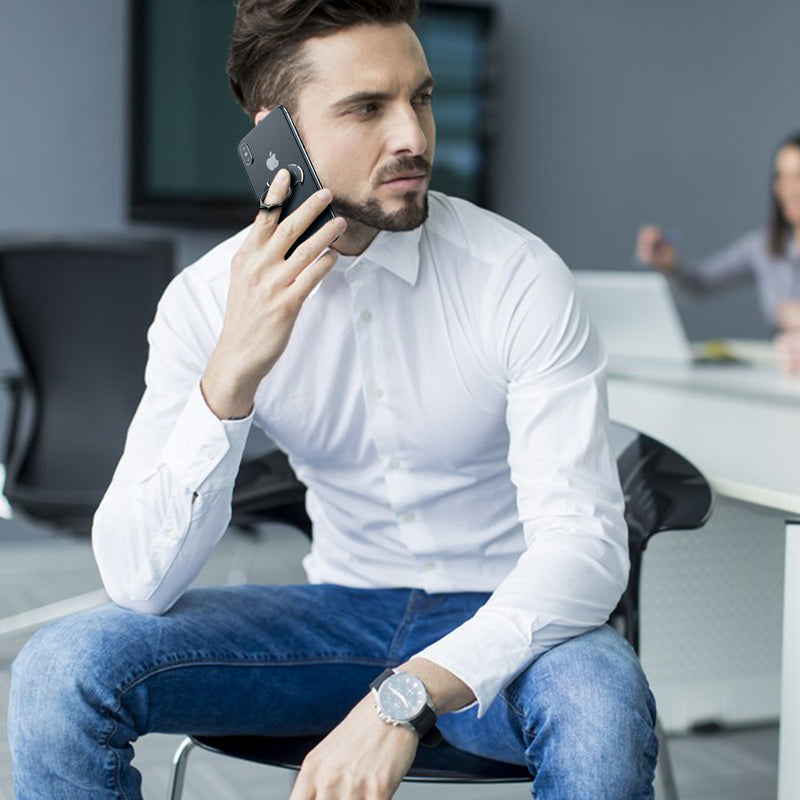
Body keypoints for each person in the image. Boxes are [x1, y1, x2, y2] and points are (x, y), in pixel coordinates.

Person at [8, 2, 658, 798]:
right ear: (277, 135)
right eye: (366, 108)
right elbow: (137, 581)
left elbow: (586, 549)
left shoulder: (517, 278)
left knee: (601, 702)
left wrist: (404, 697)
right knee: (59, 669)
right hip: (333, 622)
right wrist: (230, 380)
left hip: (512, 619)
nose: (414, 137)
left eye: (420, 98)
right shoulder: (207, 302)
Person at [636, 130, 800, 373]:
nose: (788, 189)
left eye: (798, 176)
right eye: (781, 177)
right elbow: (699, 284)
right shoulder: (762, 247)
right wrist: (669, 264)